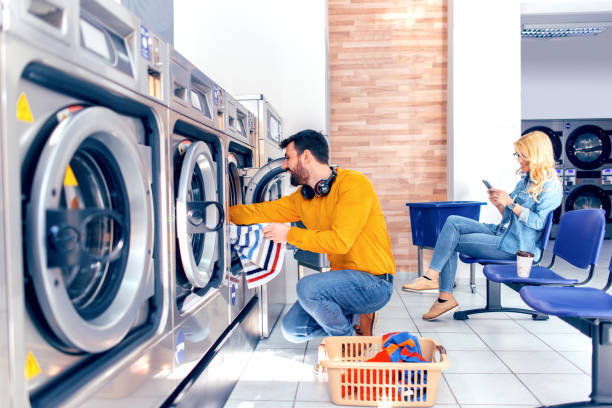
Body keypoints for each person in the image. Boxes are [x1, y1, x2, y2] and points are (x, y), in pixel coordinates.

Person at [230, 129, 395, 342]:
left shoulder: (354, 185)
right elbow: (259, 211)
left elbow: (339, 242)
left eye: (288, 158)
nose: (284, 165)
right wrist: (218, 213)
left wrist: (289, 234)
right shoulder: (304, 197)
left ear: (306, 157)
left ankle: (348, 344)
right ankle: (354, 321)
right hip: (344, 285)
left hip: (375, 283)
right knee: (293, 329)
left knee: (307, 287)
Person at [402, 130, 562, 320]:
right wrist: (500, 204)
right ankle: (434, 281)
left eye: (523, 156)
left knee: (451, 241)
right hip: (502, 232)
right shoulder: (525, 182)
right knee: (453, 222)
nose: (519, 160)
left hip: (515, 247)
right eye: (518, 155)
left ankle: (440, 293)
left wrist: (510, 202)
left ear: (537, 156)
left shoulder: (551, 187)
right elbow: (511, 217)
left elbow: (538, 222)